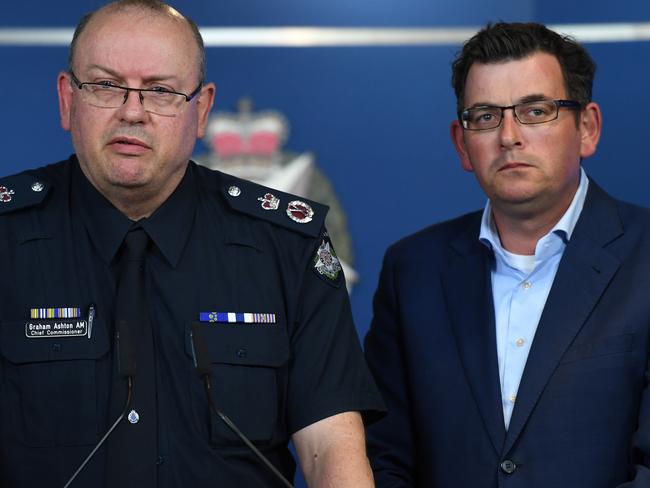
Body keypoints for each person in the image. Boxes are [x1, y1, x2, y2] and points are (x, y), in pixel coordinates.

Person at [0, 1, 384, 486]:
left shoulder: (287, 244)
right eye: (104, 85)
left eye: (160, 91)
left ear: (200, 110)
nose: (132, 111)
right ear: (66, 99)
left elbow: (330, 450)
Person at [364, 22, 650, 487]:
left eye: (536, 110)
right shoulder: (412, 270)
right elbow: (383, 455)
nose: (509, 136)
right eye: (485, 117)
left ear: (587, 128)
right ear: (462, 143)